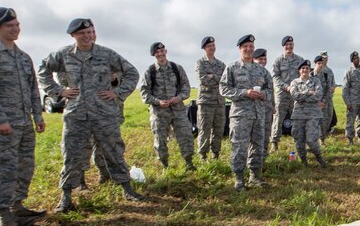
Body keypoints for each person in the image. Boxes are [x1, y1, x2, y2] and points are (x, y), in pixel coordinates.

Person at [39, 18, 143, 212]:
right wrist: (58, 91)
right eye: (82, 33)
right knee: (72, 154)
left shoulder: (106, 54)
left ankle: (127, 189)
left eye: (90, 32)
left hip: (104, 113)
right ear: (73, 35)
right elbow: (42, 70)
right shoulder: (63, 55)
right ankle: (66, 196)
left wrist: (118, 93)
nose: (87, 36)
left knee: (114, 151)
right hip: (76, 114)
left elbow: (132, 72)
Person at [0, 7, 48, 226]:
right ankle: (4, 215)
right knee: (2, 168)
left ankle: (18, 206)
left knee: (24, 166)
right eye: (9, 26)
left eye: (17, 25)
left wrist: (37, 115)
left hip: (24, 123)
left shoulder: (23, 57)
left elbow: (33, 88)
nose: (15, 29)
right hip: (2, 125)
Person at [220, 35, 273, 191]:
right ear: (240, 49)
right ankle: (239, 179)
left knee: (257, 146)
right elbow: (223, 89)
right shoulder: (232, 68)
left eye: (251, 46)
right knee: (239, 146)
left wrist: (264, 95)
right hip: (240, 114)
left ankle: (255, 177)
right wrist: (244, 92)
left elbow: (270, 90)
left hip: (259, 114)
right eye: (245, 47)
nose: (249, 49)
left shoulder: (261, 70)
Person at [140, 42, 196, 170]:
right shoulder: (150, 71)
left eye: (162, 51)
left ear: (166, 51)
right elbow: (144, 93)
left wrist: (179, 98)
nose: (160, 54)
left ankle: (189, 163)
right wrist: (157, 101)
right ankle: (165, 165)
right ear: (154, 55)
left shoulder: (177, 68)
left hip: (178, 110)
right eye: (157, 52)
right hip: (159, 113)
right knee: (160, 141)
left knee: (186, 136)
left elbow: (186, 87)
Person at [270, 35, 304, 151]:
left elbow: (303, 76)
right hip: (282, 94)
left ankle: (298, 141)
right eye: (287, 45)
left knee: (297, 118)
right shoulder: (278, 60)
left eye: (291, 45)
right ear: (283, 46)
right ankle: (274, 142)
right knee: (278, 118)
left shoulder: (300, 60)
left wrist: (297, 88)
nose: (289, 47)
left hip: (295, 95)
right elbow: (275, 76)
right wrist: (286, 87)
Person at [289, 59, 326, 167]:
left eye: (307, 68)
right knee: (298, 139)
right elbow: (295, 96)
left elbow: (318, 95)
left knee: (311, 139)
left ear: (310, 70)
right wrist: (309, 92)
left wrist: (303, 97)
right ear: (299, 70)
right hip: (298, 115)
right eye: (303, 68)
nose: (305, 70)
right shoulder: (294, 82)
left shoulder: (316, 81)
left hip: (313, 114)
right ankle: (304, 161)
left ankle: (319, 157)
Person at [195, 36, 226, 161]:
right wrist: (215, 78)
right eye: (209, 46)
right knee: (204, 129)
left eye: (213, 45)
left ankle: (215, 154)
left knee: (218, 130)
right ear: (204, 48)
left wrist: (212, 76)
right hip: (205, 102)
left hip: (219, 101)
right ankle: (203, 155)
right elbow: (202, 80)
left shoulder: (221, 64)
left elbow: (225, 81)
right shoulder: (200, 63)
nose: (212, 48)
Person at [342, 51, 360, 145]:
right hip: (352, 102)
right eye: (354, 59)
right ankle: (350, 140)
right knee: (350, 121)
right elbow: (345, 89)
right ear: (352, 61)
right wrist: (348, 103)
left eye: (358, 57)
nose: (357, 59)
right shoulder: (349, 72)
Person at [253, 48, 274, 157]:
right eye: (260, 59)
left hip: (267, 108)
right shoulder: (250, 72)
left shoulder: (267, 73)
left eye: (264, 59)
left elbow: (270, 91)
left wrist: (272, 105)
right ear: (254, 59)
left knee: (266, 133)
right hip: (253, 110)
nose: (263, 61)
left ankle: (264, 157)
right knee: (255, 136)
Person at [313, 54, 335, 140]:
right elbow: (309, 90)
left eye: (322, 63)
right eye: (319, 63)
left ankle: (322, 139)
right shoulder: (311, 75)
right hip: (314, 103)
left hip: (324, 102)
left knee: (325, 121)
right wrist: (317, 101)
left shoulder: (326, 75)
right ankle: (313, 140)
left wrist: (324, 101)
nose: (321, 65)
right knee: (314, 122)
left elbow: (328, 90)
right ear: (315, 63)